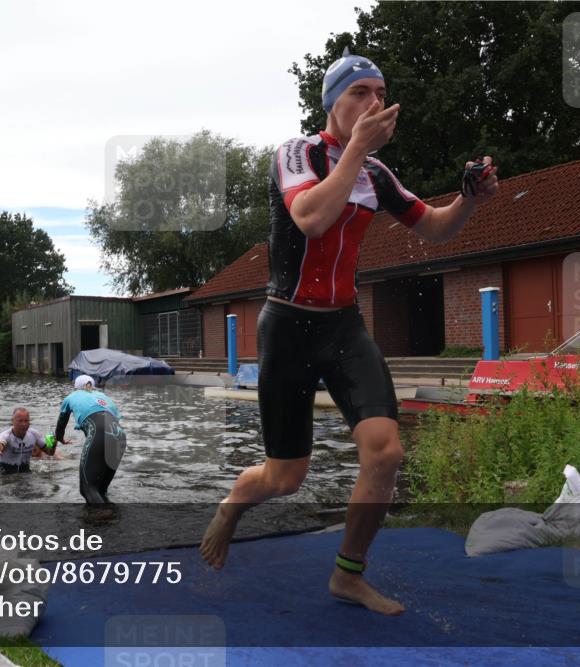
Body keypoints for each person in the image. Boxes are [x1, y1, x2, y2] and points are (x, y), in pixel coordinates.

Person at [200, 48, 498, 616]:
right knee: (286, 479)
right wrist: (356, 148)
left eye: (381, 94)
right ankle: (233, 505)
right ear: (333, 102)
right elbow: (310, 217)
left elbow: (434, 229)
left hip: (343, 325)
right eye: (361, 93)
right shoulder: (296, 152)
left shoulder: (375, 173)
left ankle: (347, 575)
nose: (374, 103)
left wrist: (469, 199)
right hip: (287, 325)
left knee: (384, 452)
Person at [55, 375, 126, 504]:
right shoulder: (104, 397)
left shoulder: (71, 397)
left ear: (76, 387)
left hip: (98, 432)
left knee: (87, 489)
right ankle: (111, 519)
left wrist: (59, 439)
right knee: (101, 489)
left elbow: (61, 425)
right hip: (120, 435)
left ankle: (100, 518)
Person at [0, 407, 54, 473]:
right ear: (13, 421)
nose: (23, 424)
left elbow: (50, 453)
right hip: (5, 473)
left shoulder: (34, 434)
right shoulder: (5, 435)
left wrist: (54, 441)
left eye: (26, 421)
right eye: (20, 421)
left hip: (26, 472)